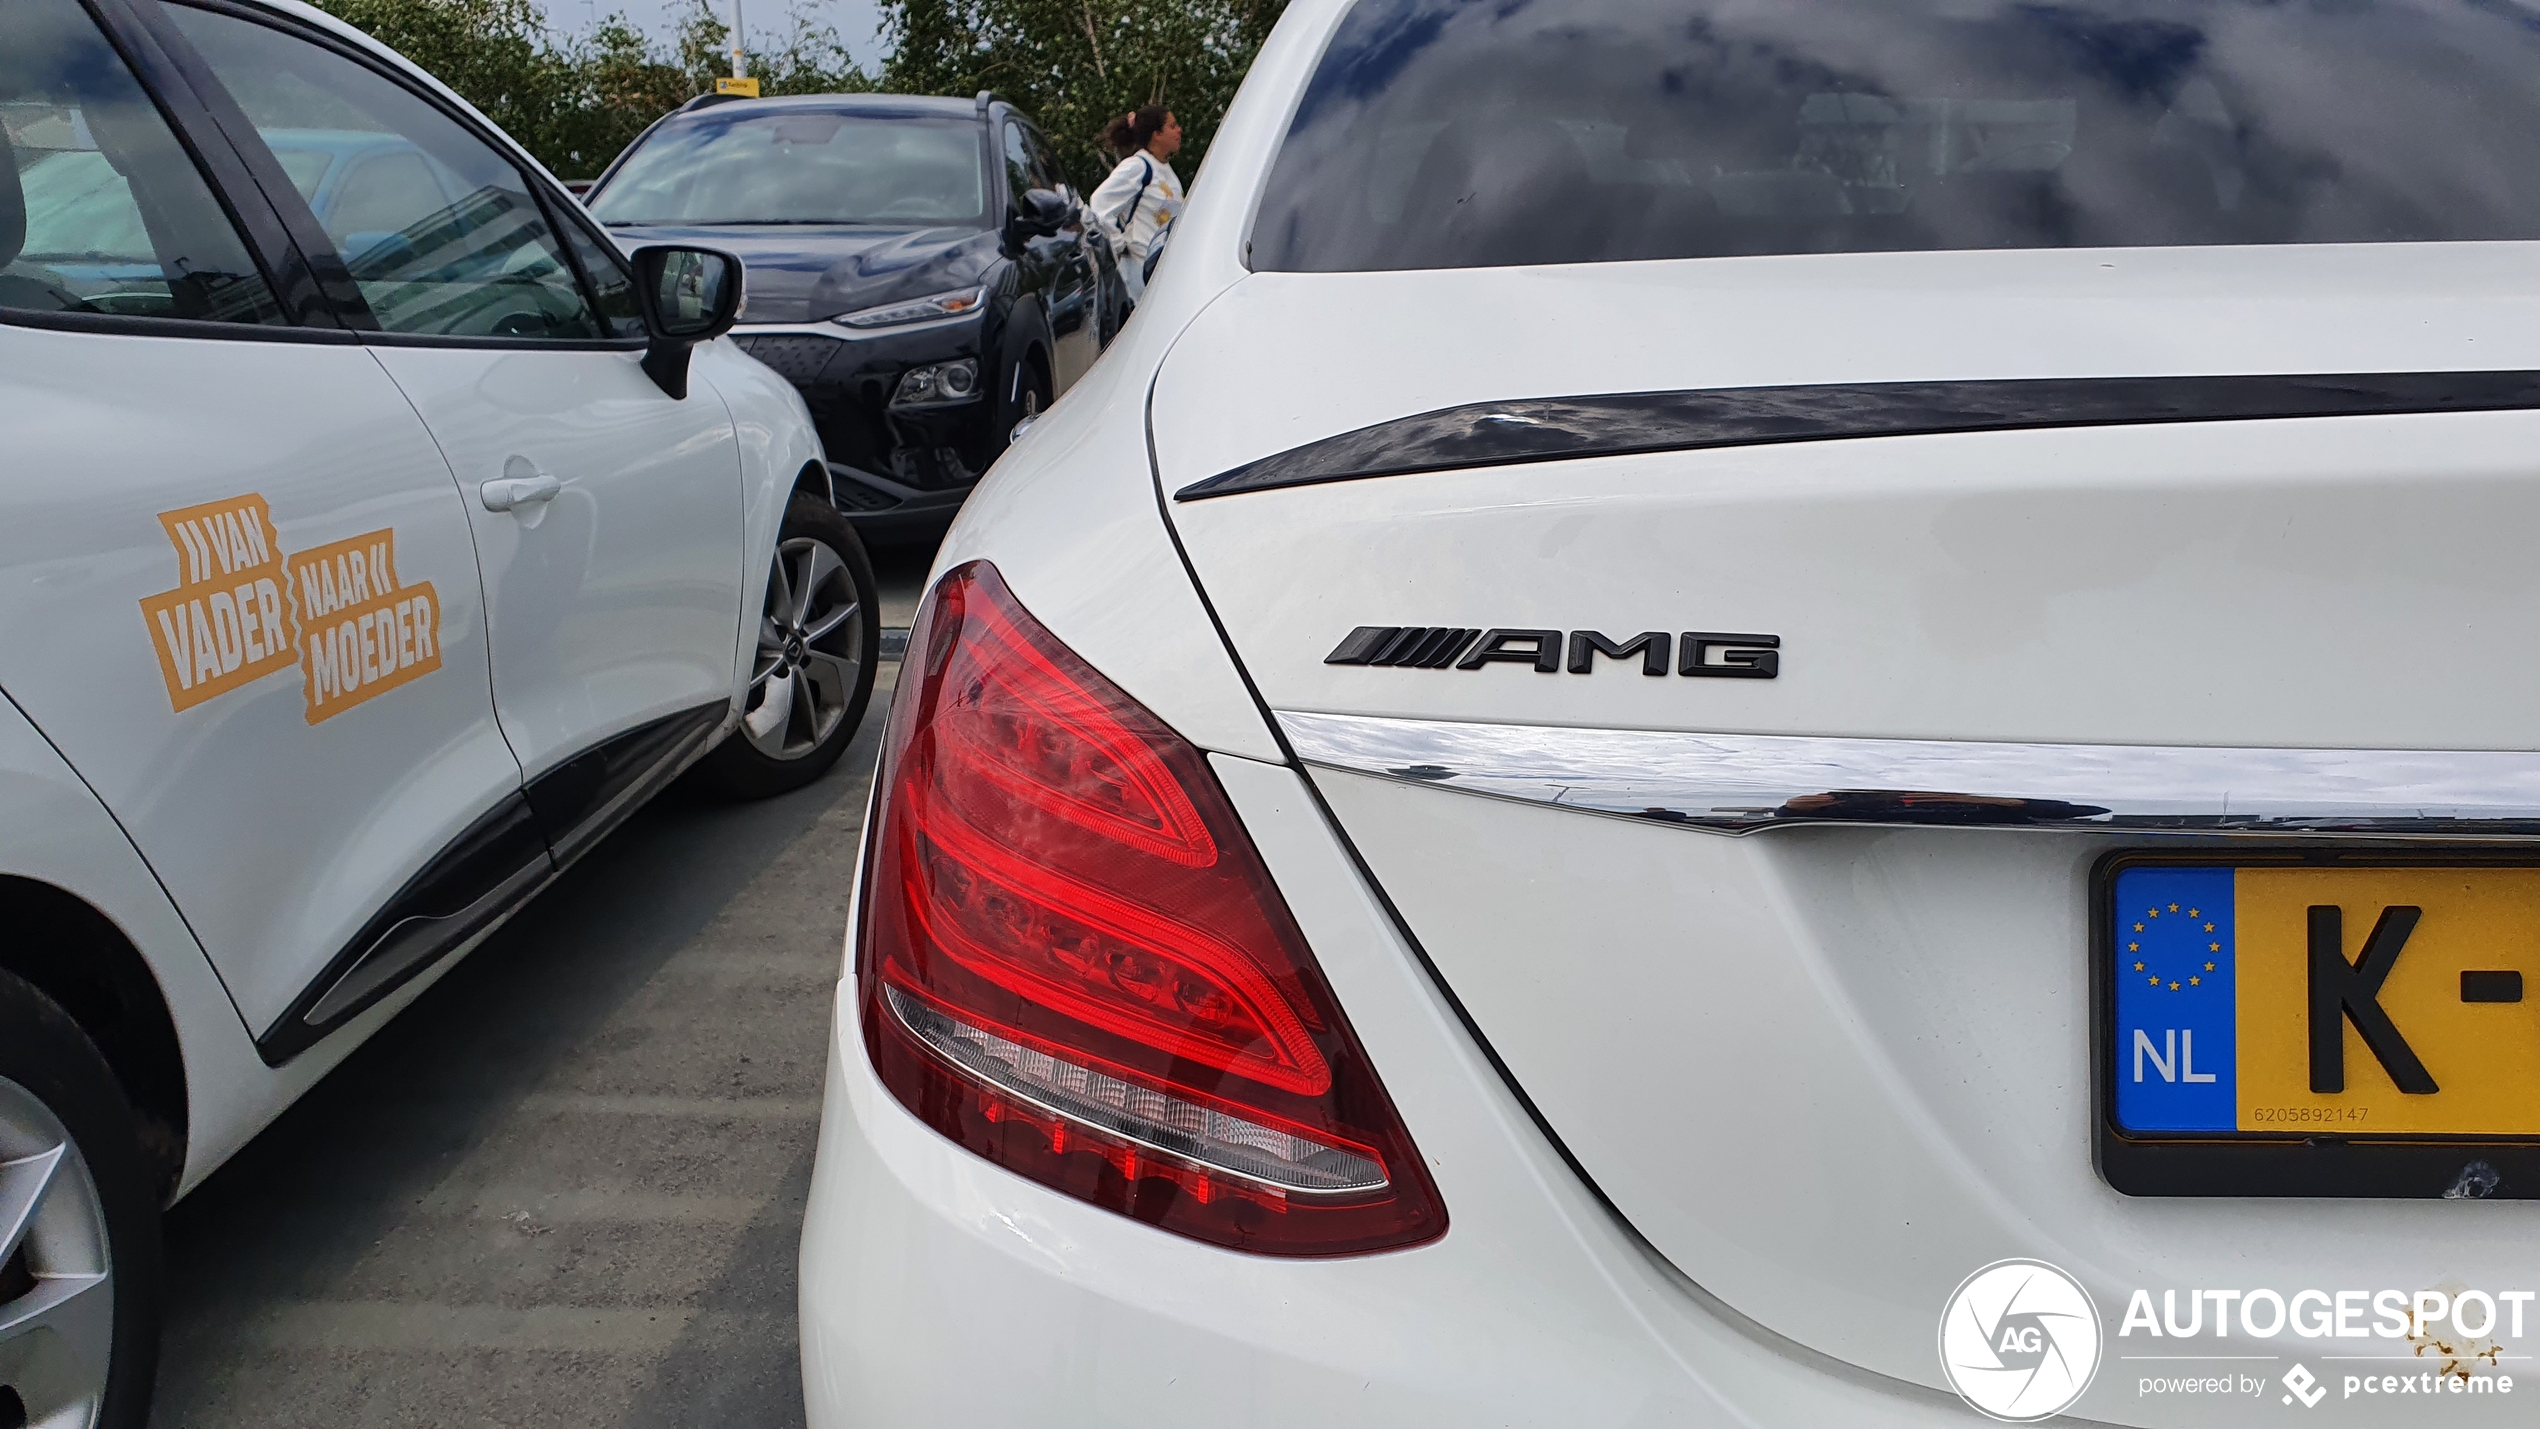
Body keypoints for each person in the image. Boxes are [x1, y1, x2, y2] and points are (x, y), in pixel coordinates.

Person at [1090, 107, 1183, 301]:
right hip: (1142, 274)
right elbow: (1100, 202)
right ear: (1156, 134)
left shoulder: (1165, 170)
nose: (1179, 130)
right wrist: (1119, 244)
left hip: (1165, 272)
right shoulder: (1139, 167)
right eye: (1172, 126)